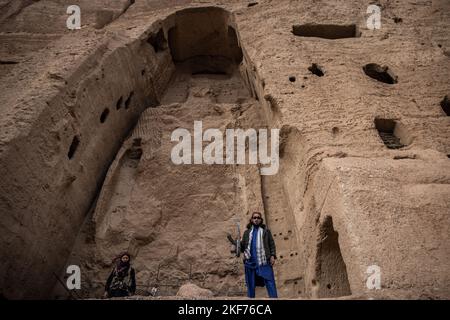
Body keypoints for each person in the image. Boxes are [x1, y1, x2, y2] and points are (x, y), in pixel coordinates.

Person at [240, 211, 278, 298]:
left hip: (264, 261)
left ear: (261, 220)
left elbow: (271, 244)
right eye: (254, 218)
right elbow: (243, 247)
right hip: (250, 261)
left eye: (258, 218)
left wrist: (272, 255)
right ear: (251, 220)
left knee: (270, 280)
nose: (256, 219)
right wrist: (237, 244)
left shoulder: (266, 232)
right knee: (250, 283)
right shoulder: (247, 233)